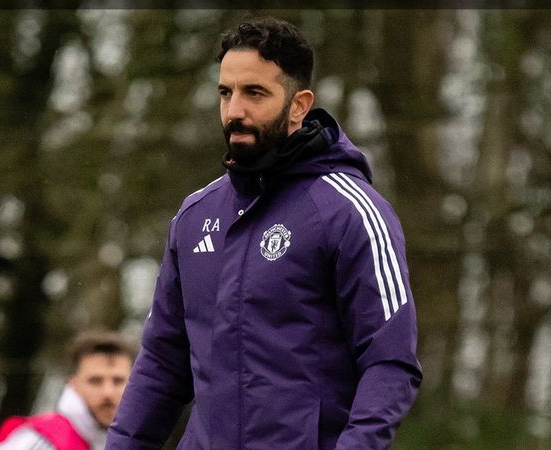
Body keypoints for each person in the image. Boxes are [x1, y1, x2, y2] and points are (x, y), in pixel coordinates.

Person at [106, 17, 422, 450]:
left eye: (254, 93)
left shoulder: (351, 212)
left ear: (299, 105)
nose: (234, 111)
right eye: (225, 93)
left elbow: (390, 362)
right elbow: (162, 364)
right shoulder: (195, 216)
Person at [0, 330, 135, 450]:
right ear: (73, 383)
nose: (108, 392)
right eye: (95, 381)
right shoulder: (42, 442)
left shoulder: (132, 440)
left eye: (118, 381)